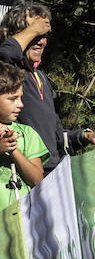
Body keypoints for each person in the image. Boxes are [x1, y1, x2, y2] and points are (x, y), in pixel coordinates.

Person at [0, 1, 95, 167]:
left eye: (44, 35)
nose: (41, 41)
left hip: (52, 173)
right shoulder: (10, 74)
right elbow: (5, 52)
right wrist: (32, 30)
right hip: (24, 175)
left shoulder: (41, 78)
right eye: (35, 34)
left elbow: (57, 137)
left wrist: (84, 136)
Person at [0, 62, 46, 212]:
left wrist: (14, 150)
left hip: (23, 220)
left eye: (21, 98)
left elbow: (37, 180)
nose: (20, 104)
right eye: (13, 99)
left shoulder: (27, 133)